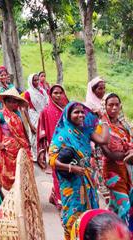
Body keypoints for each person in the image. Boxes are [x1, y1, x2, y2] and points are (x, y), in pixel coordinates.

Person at [49, 102, 110, 240]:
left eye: (82, 112)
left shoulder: (86, 131)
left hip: (88, 180)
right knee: (72, 217)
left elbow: (104, 139)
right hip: (71, 184)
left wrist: (104, 120)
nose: (80, 115)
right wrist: (72, 168)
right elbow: (52, 161)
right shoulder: (62, 135)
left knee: (90, 218)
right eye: (76, 112)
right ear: (68, 115)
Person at [99, 93, 133, 230]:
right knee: (124, 206)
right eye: (110, 105)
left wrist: (130, 152)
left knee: (115, 206)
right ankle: (121, 234)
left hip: (126, 170)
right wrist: (125, 155)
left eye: (116, 105)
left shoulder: (123, 125)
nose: (114, 108)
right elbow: (106, 152)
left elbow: (130, 143)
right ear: (105, 106)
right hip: (112, 172)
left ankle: (106, 231)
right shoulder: (101, 126)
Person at [0, 87, 32, 191]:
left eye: (14, 102)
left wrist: (28, 142)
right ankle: (10, 191)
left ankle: (20, 190)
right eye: (9, 102)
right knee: (9, 171)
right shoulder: (1, 115)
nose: (12, 104)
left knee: (21, 170)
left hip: (20, 147)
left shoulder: (18, 114)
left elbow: (23, 130)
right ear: (4, 102)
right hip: (7, 149)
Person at [36, 84, 68, 210]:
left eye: (60, 92)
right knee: (57, 173)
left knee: (67, 173)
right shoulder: (46, 111)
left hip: (69, 148)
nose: (58, 95)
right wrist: (42, 151)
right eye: (55, 93)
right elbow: (41, 131)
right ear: (50, 94)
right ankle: (60, 200)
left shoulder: (68, 110)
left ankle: (56, 195)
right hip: (54, 148)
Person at [23, 73, 49, 161]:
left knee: (44, 135)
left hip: (43, 116)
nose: (37, 82)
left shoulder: (42, 91)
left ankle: (43, 155)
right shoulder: (28, 93)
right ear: (30, 81)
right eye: (34, 80)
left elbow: (47, 104)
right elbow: (25, 109)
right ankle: (35, 155)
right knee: (35, 136)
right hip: (33, 116)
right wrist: (30, 124)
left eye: (37, 80)